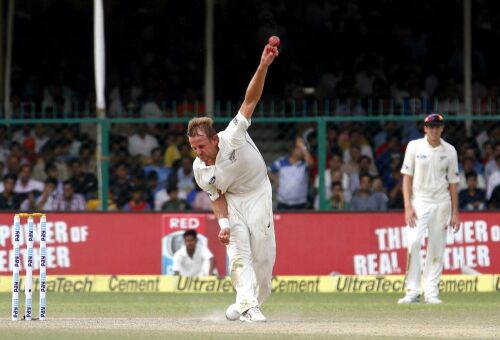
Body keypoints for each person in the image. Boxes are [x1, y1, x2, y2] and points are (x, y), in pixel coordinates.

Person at [187, 41, 279, 323]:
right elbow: (216, 196)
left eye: (202, 146)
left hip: (258, 192)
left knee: (264, 258)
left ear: (214, 139)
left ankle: (248, 302)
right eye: (193, 148)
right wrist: (224, 224)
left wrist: (263, 65)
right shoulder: (199, 169)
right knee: (239, 251)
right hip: (234, 201)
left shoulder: (232, 137)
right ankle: (249, 306)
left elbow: (249, 101)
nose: (198, 153)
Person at [398, 113, 460, 305]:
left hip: (441, 203)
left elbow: (453, 184)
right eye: (430, 127)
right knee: (414, 242)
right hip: (419, 202)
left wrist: (455, 213)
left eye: (437, 127)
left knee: (437, 248)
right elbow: (406, 178)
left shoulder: (450, 151)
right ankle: (412, 291)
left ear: (442, 129)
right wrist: (408, 206)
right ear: (425, 129)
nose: (434, 130)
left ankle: (431, 292)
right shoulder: (414, 146)